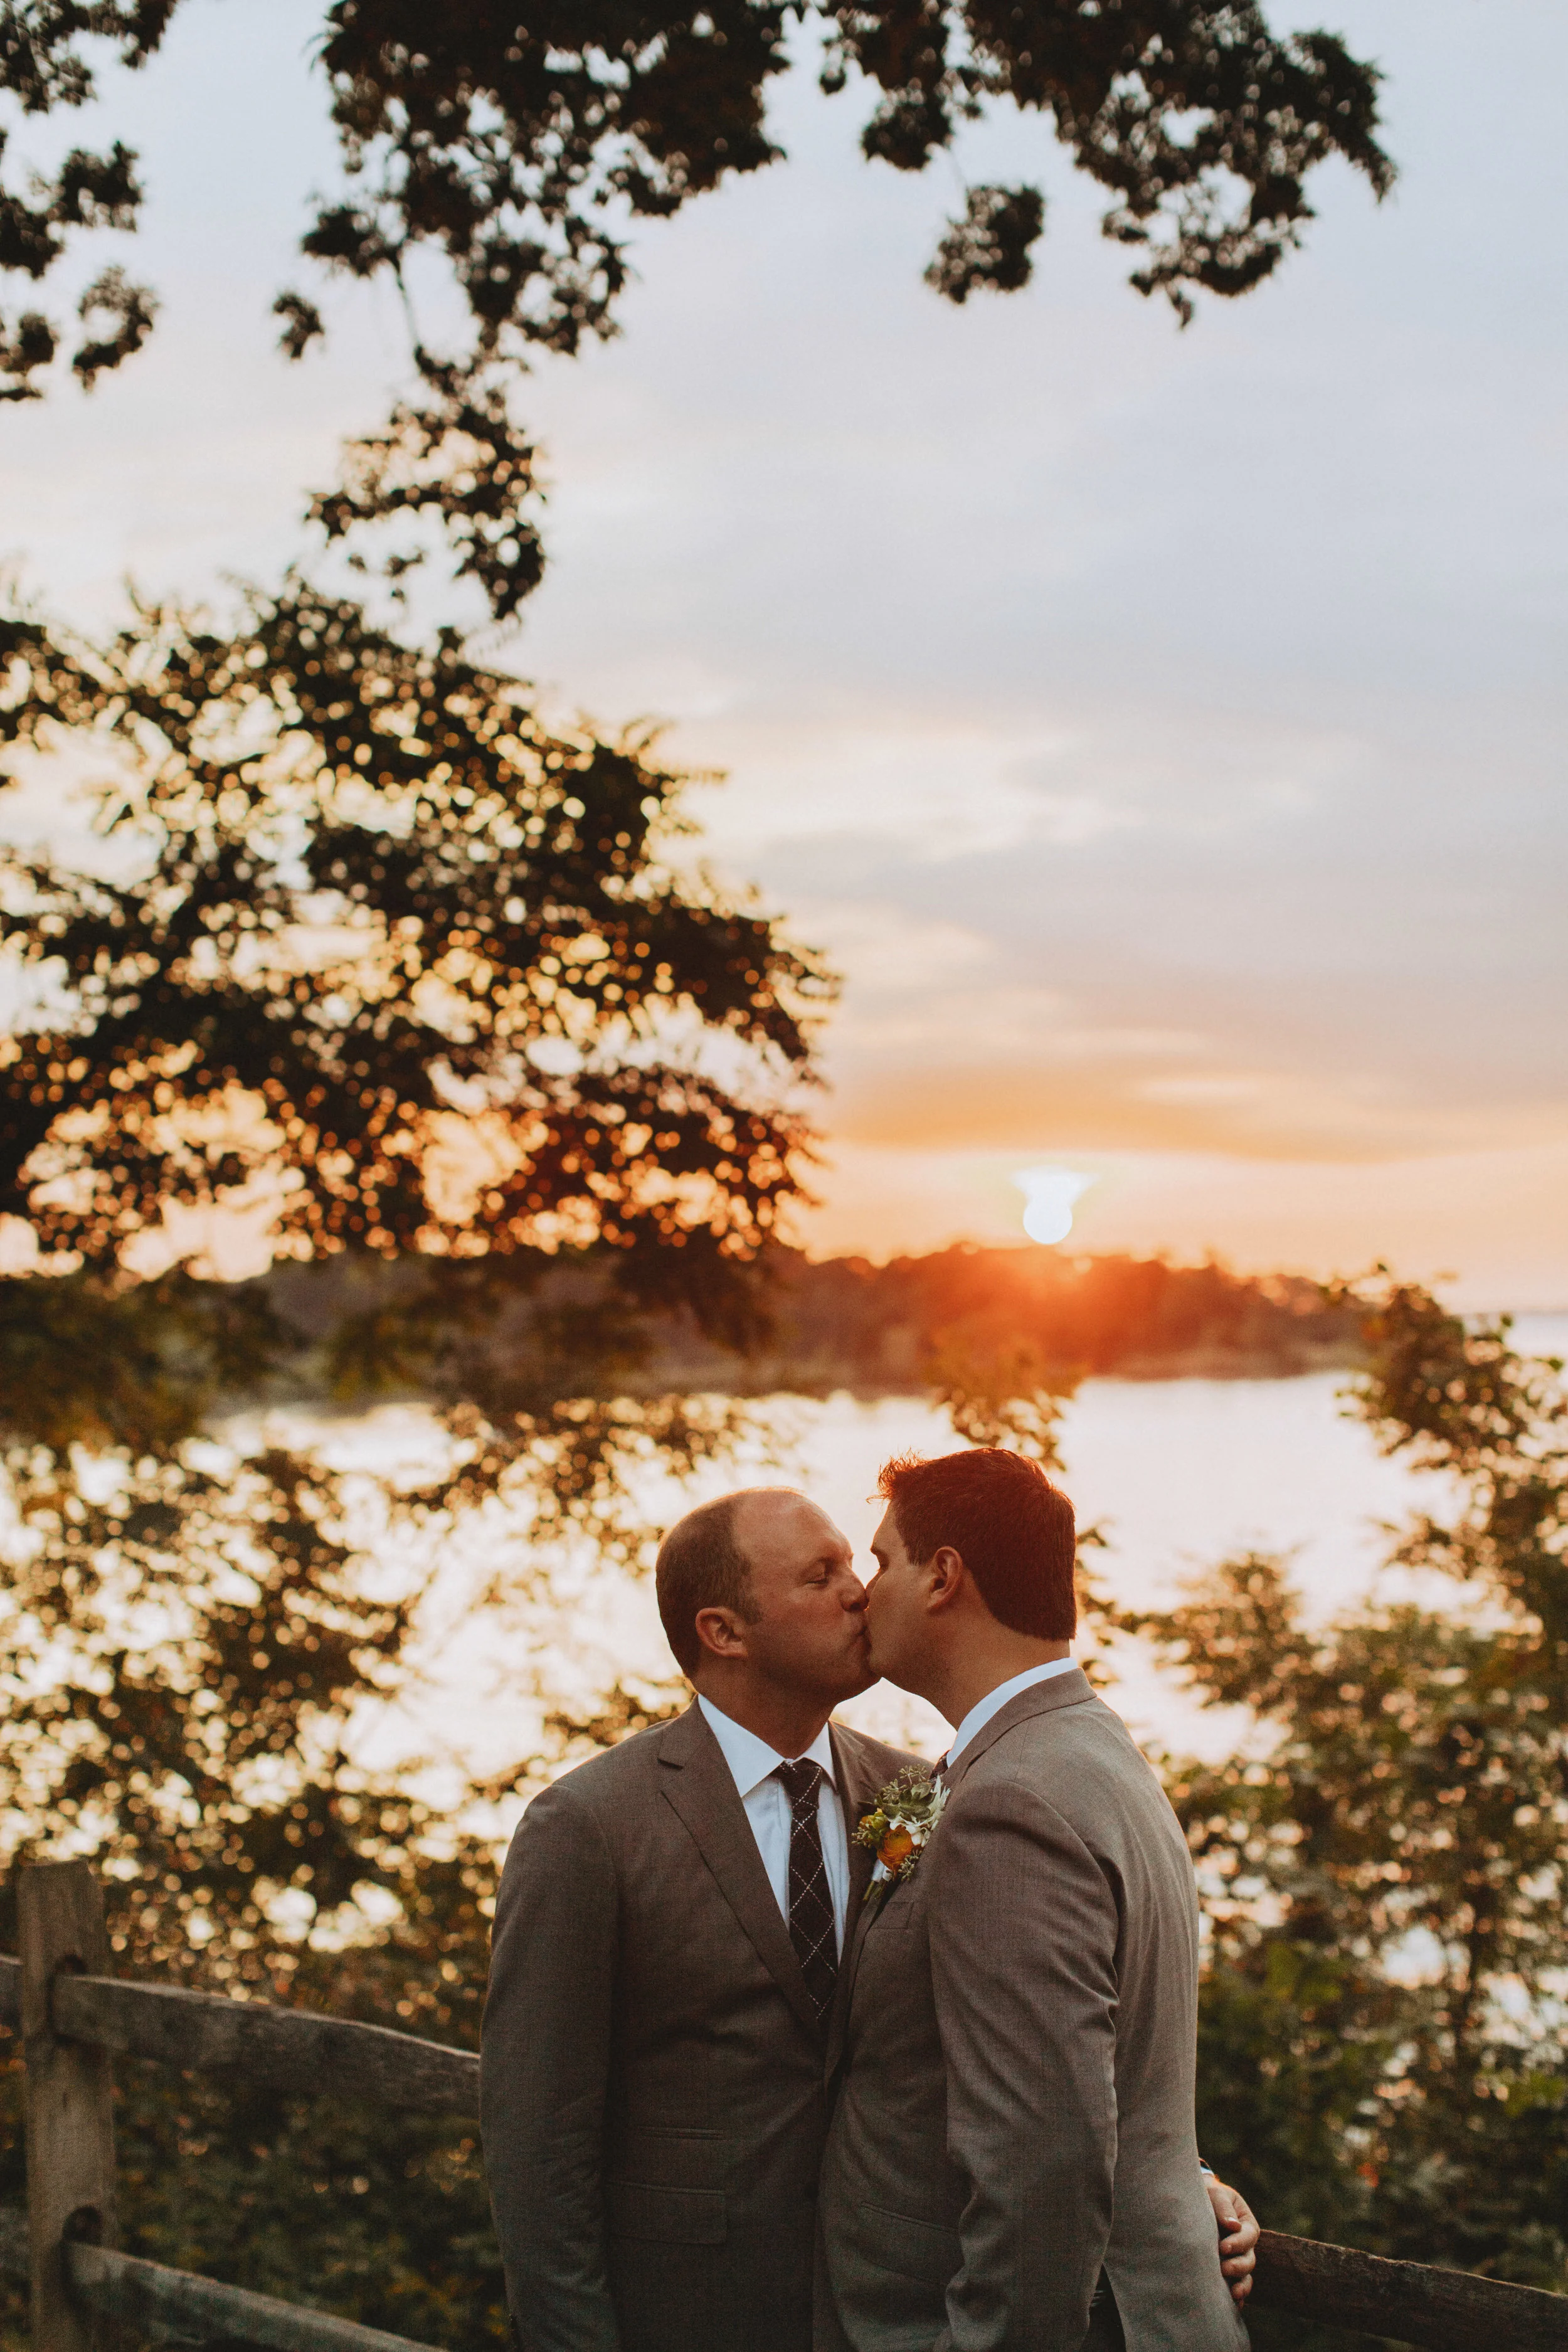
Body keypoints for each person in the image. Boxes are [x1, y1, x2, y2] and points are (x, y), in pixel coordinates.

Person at [819, 1446, 1255, 2352]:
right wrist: (1180, 2171)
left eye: (881, 1559)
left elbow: (1044, 2162)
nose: (865, 1591)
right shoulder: (1086, 1749)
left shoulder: (1012, 1800)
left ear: (943, 1576)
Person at [480, 1486, 914, 2352]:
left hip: (880, 2312)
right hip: (681, 2318)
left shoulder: (907, 1798)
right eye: (820, 1575)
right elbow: (537, 2143)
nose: (859, 1592)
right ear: (724, 1630)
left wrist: (1181, 2171)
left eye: (855, 1567)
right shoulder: (588, 1827)